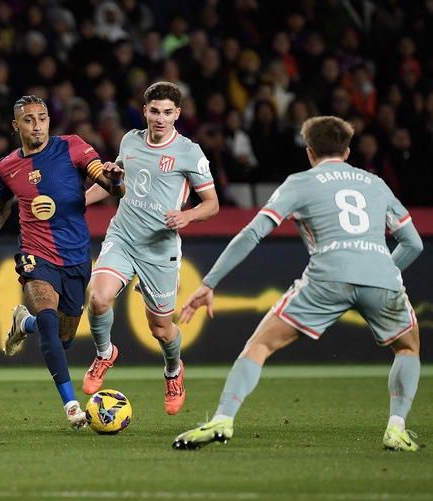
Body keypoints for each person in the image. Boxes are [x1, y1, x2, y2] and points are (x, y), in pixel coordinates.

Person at [172, 115, 423, 451]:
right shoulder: (376, 184)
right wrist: (379, 271)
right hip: (381, 278)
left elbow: (252, 234)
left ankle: (223, 419)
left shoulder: (300, 182)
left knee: (259, 346)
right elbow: (413, 243)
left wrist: (209, 283)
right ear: (348, 152)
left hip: (327, 278)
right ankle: (396, 428)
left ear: (309, 152)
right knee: (407, 348)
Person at [0, 95, 125, 429]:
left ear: (49, 120)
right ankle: (71, 407)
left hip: (76, 256)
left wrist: (115, 178)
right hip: (35, 253)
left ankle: (24, 324)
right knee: (49, 322)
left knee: (62, 340)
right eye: (29, 120)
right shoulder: (7, 167)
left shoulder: (73, 146)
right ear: (16, 125)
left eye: (42, 118)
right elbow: (1, 209)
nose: (37, 125)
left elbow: (111, 188)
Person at [80, 81, 220, 415]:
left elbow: (212, 203)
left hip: (159, 249)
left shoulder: (189, 152)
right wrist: (80, 202)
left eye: (167, 112)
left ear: (177, 114)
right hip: (123, 237)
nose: (160, 118)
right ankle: (104, 354)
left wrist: (187, 216)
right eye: (154, 111)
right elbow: (116, 185)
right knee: (97, 299)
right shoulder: (129, 140)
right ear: (145, 111)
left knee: (161, 329)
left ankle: (173, 371)